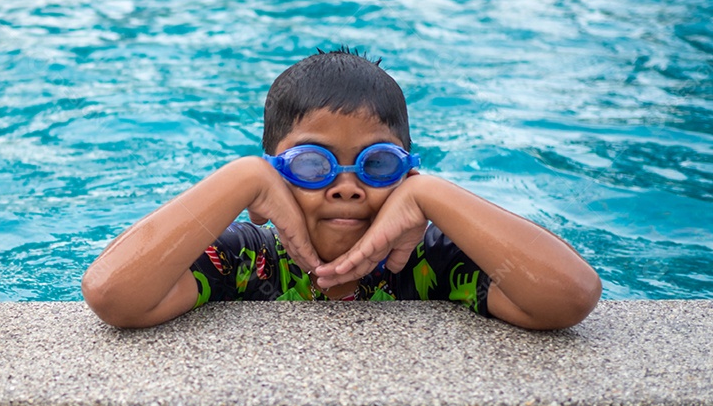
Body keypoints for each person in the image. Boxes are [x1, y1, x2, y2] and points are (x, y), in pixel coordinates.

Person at [82, 49, 601, 330]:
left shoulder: (429, 262)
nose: (346, 187)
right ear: (274, 176)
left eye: (376, 164)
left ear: (404, 174)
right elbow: (113, 296)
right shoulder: (249, 259)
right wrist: (241, 178)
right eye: (312, 164)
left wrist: (433, 195)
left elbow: (568, 298)